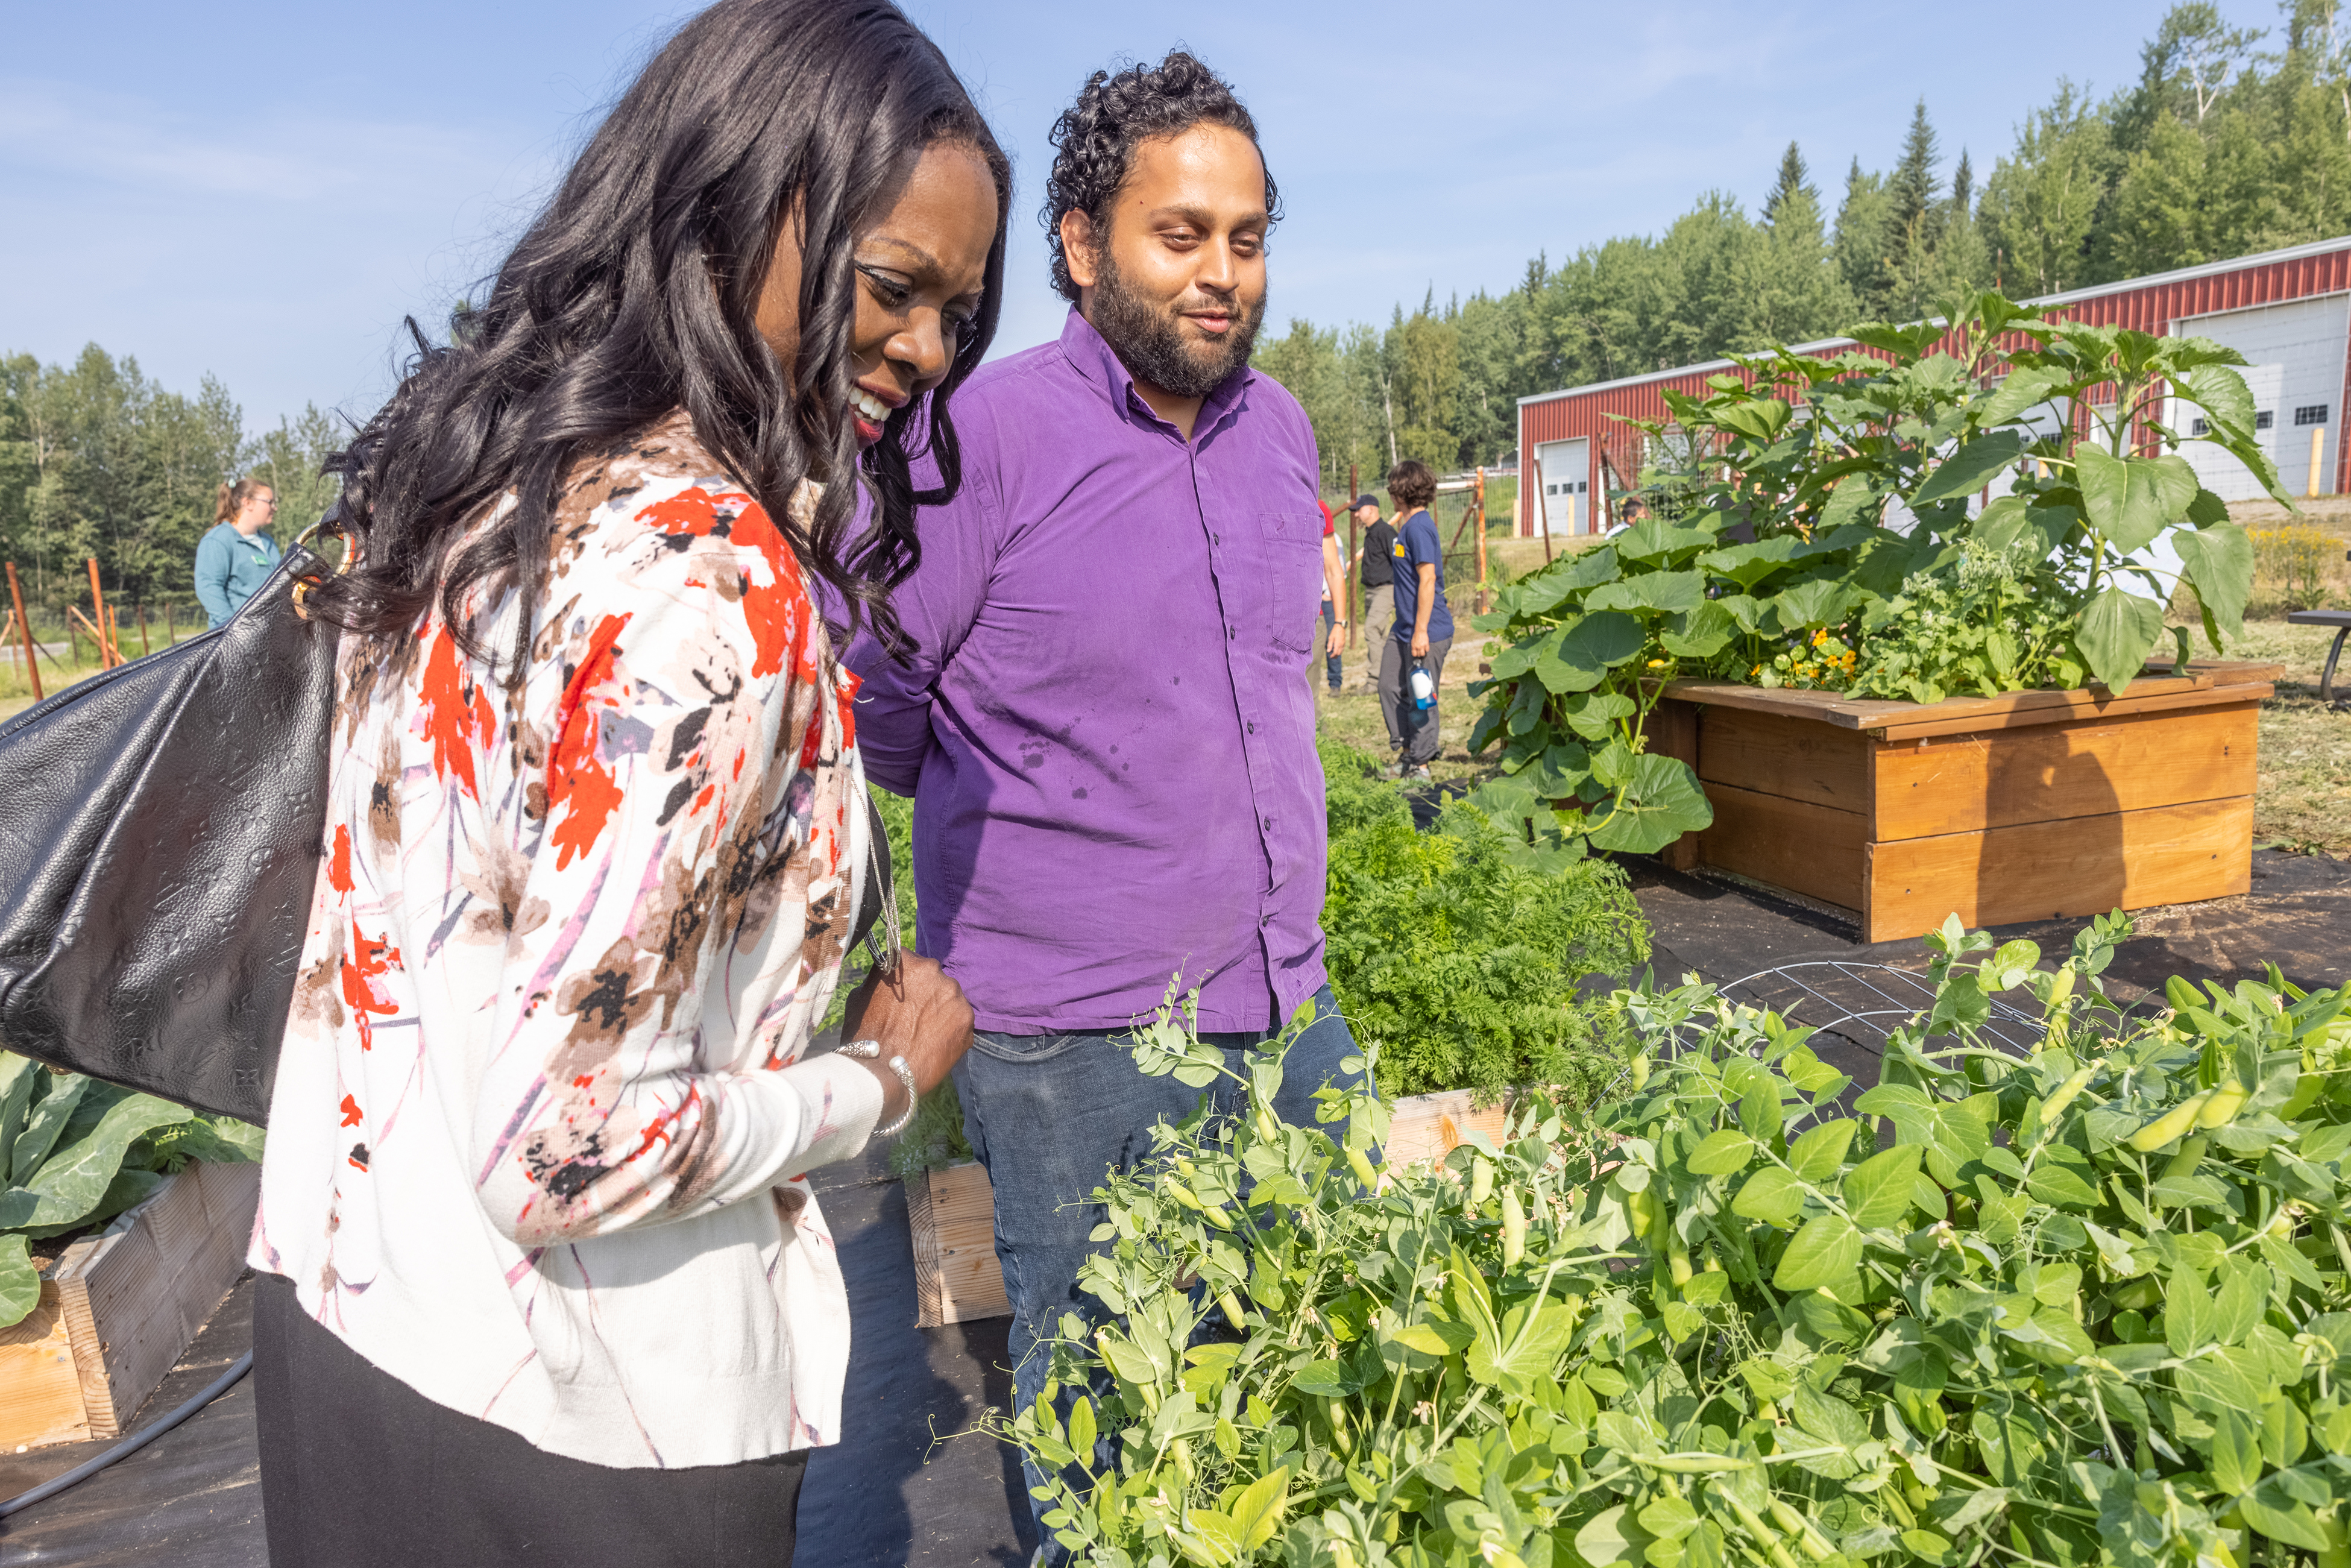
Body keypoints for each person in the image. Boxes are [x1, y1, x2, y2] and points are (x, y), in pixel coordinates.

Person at [247, 5, 1001, 1564]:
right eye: (895, 287)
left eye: (956, 311)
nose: (930, 350)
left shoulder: (479, 492)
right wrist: (877, 1079)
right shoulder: (708, 582)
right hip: (586, 1417)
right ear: (739, 205)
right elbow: (562, 1145)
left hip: (352, 1316)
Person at [841, 51, 1365, 1560]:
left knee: (1305, 1392)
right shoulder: (973, 443)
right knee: (1106, 1444)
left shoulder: (1281, 433)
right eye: (1179, 234)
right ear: (1080, 247)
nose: (1221, 275)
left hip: (1290, 1009)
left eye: (1246, 238)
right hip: (1075, 1043)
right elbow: (878, 708)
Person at [1382, 458, 1453, 779]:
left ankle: (1421, 766)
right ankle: (1407, 753)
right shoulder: (1407, 526)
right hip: (1404, 628)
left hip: (1427, 630)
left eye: (1392, 487)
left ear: (1400, 491)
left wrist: (1421, 631)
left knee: (1420, 696)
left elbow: (1428, 579)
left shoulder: (1421, 527)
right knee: (1389, 686)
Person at [192, 476, 280, 626]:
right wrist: (232, 628)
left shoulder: (268, 541)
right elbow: (208, 587)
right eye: (269, 502)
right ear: (247, 503)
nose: (274, 507)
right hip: (237, 640)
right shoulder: (218, 540)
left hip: (271, 634)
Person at [1353, 493, 1394, 696]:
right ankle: (1389, 678)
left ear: (1371, 509)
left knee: (1371, 630)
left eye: (1359, 510)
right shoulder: (1371, 533)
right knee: (1379, 636)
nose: (1356, 515)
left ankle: (1374, 682)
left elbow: (1399, 562)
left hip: (1386, 590)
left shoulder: (1386, 532)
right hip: (1371, 591)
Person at [1317, 497, 1346, 693]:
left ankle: (1335, 683)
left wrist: (1340, 622)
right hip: (1320, 598)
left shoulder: (1334, 540)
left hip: (1326, 598)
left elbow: (1337, 569)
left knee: (1331, 644)